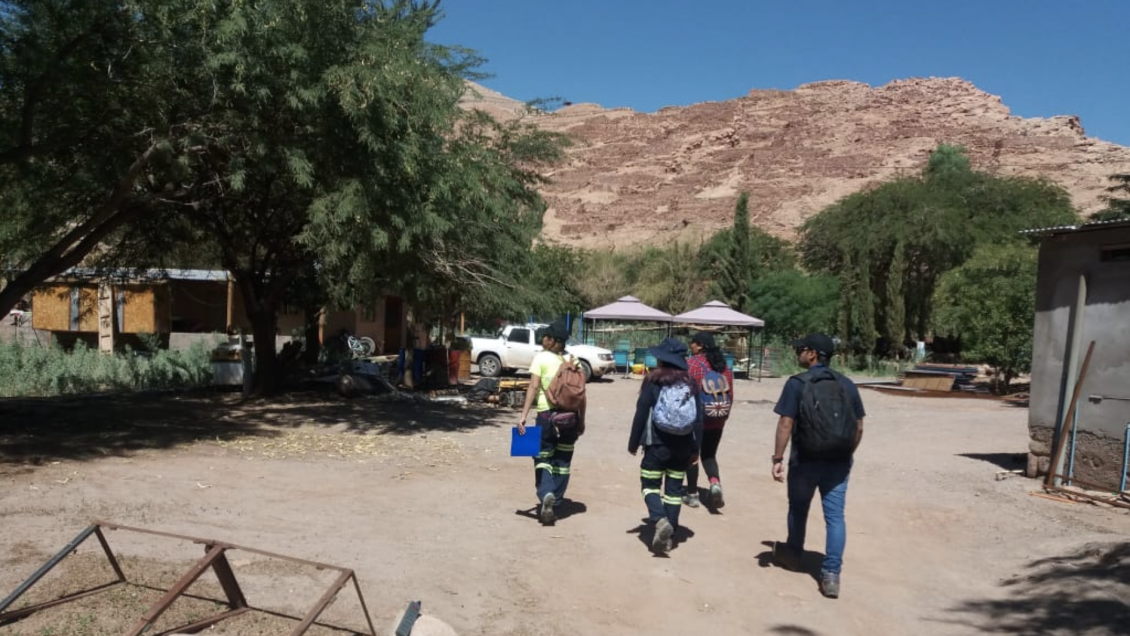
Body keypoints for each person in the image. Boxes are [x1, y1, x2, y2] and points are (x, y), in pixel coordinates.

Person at [771, 333, 865, 599]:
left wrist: (777, 459)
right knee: (835, 518)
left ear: (813, 354)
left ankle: (793, 554)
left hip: (804, 461)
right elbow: (858, 427)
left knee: (798, 509)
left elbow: (785, 424)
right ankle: (832, 575)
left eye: (800, 349)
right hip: (838, 464)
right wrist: (847, 454)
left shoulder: (796, 383)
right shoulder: (847, 384)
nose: (796, 353)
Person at [628, 337, 704, 555]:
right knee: (673, 492)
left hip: (656, 445)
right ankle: (669, 537)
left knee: (649, 484)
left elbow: (641, 412)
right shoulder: (690, 383)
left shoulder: (654, 381)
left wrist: (633, 442)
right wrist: (695, 449)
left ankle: (659, 519)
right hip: (682, 447)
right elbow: (699, 420)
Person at [517, 320, 586, 526]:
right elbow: (582, 394)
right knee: (563, 461)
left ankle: (546, 492)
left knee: (541, 456)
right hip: (571, 418)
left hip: (546, 416)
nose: (542, 340)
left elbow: (533, 387)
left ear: (553, 341)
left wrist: (523, 415)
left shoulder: (541, 358)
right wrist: (582, 419)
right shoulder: (575, 361)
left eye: (545, 336)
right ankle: (555, 500)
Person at [683, 331, 734, 509]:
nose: (691, 346)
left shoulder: (691, 364)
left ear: (700, 346)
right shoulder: (723, 367)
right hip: (718, 416)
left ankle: (691, 494)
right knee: (710, 454)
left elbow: (685, 391)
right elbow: (730, 394)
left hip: (697, 419)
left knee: (692, 456)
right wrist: (724, 416)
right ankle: (714, 483)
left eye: (693, 343)